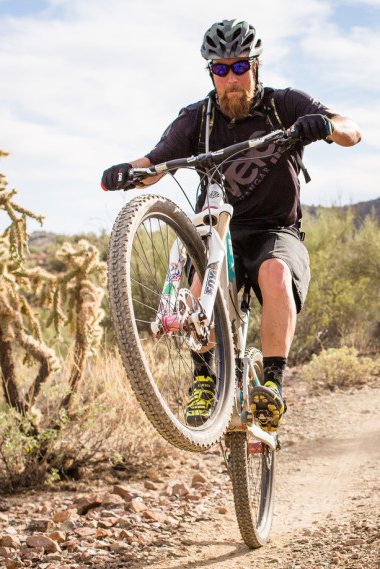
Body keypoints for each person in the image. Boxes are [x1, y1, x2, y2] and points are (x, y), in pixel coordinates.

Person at [102, 19, 361, 431]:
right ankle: (204, 377)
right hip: (218, 231)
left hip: (274, 230)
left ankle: (272, 386)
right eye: (221, 70)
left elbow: (352, 129)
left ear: (256, 67)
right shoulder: (198, 119)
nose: (231, 78)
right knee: (197, 284)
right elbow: (156, 162)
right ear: (211, 74)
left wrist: (327, 126)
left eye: (240, 67)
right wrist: (124, 172)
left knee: (275, 274)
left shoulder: (284, 104)